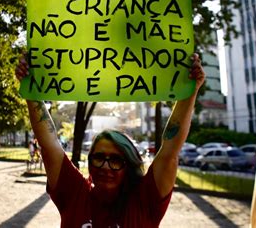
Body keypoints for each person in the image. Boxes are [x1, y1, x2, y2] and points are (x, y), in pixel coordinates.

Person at [15, 52, 205, 227]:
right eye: (98, 157)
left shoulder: (145, 201)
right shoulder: (75, 193)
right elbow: (49, 145)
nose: (105, 166)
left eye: (115, 160)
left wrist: (189, 91)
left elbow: (170, 152)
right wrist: (31, 90)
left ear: (129, 165)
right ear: (89, 162)